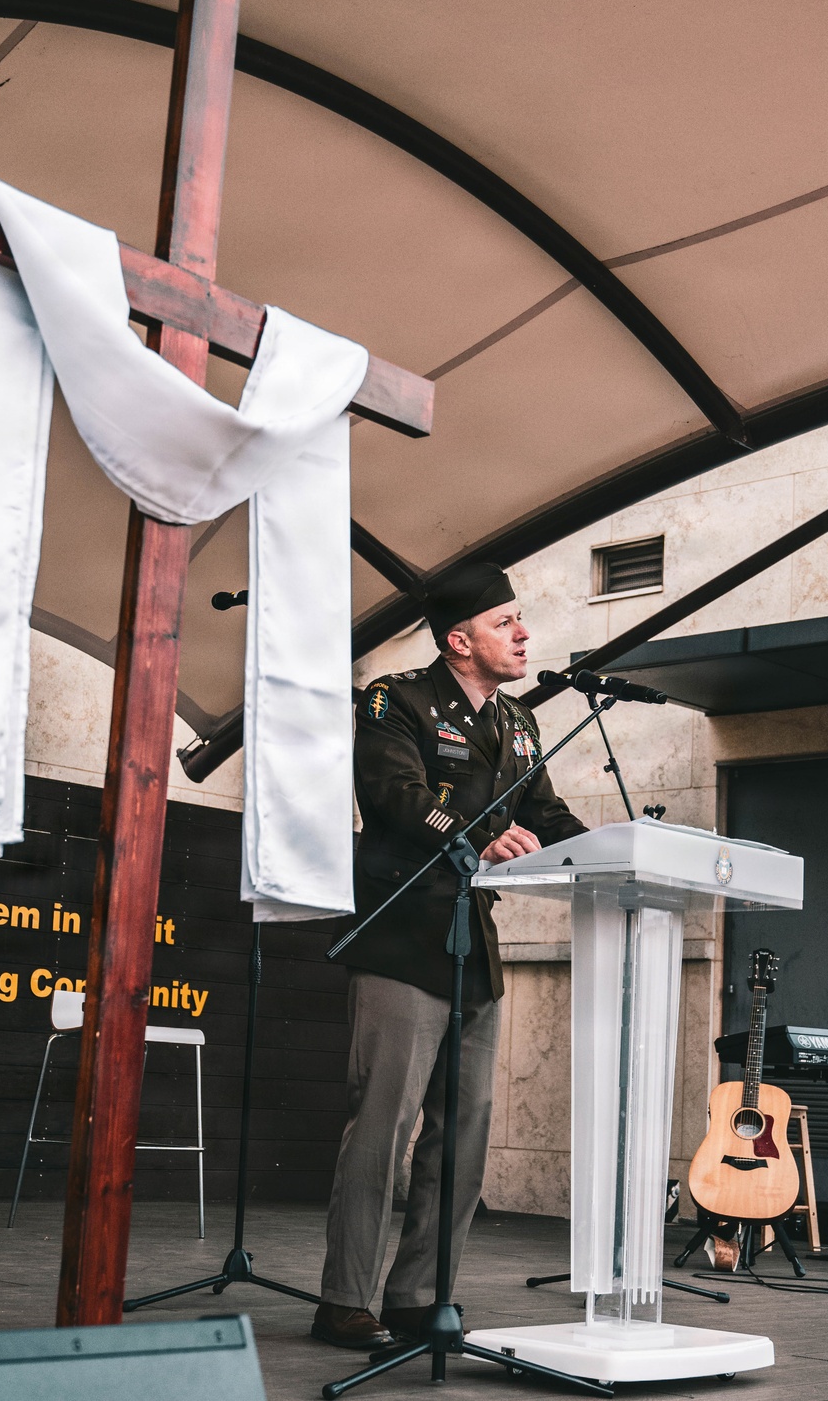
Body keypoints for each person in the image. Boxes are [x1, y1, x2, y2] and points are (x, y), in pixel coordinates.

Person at [312, 563, 587, 1349]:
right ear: (460, 639)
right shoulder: (395, 699)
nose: (525, 633)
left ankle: (419, 1295)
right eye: (507, 622)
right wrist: (470, 830)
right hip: (404, 937)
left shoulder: (520, 723)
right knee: (384, 1126)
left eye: (521, 620)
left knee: (462, 1136)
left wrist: (618, 847)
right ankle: (344, 1300)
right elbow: (394, 795)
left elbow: (547, 810)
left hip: (475, 944)